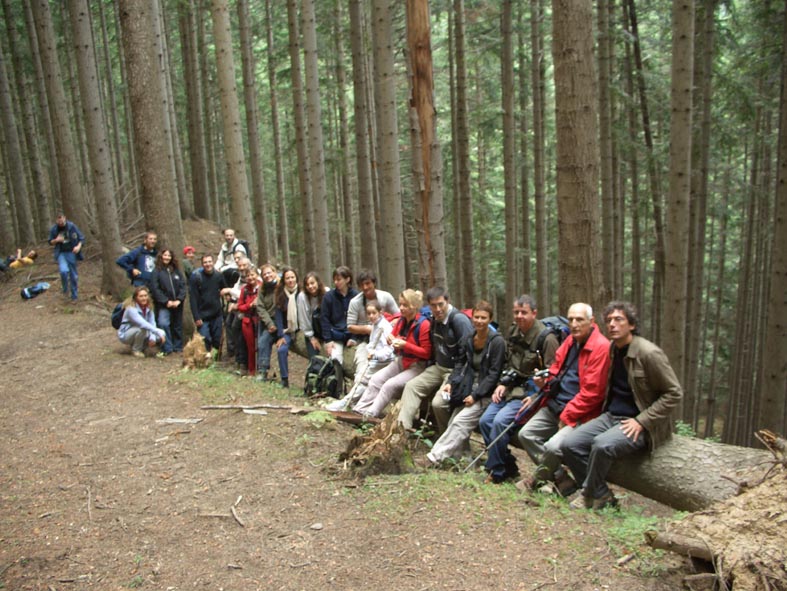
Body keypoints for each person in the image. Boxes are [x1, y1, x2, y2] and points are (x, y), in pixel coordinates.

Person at [562, 301, 683, 510]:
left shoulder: (648, 353)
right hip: (612, 416)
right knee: (569, 444)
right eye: (609, 320)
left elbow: (674, 393)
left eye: (619, 319)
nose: (612, 324)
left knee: (602, 445)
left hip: (641, 422)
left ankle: (587, 494)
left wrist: (642, 421)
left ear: (631, 325)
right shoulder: (613, 348)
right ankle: (601, 494)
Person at [516, 302, 611, 496]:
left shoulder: (601, 348)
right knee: (526, 434)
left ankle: (536, 479)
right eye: (571, 320)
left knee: (552, 447)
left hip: (582, 414)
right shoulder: (570, 341)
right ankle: (561, 477)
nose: (574, 324)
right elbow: (556, 370)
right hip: (556, 404)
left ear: (591, 321)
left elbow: (593, 393)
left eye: (579, 320)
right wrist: (542, 386)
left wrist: (568, 415)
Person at [479, 295, 560, 484]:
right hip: (511, 388)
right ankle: (508, 465)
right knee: (485, 421)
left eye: (524, 312)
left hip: (530, 393)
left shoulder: (546, 339)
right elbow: (509, 362)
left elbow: (554, 376)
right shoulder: (514, 331)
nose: (519, 316)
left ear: (534, 313)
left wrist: (536, 396)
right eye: (516, 312)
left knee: (499, 422)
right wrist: (503, 383)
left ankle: (496, 472)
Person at [426, 301, 506, 464]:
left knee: (460, 421)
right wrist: (451, 382)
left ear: (490, 319)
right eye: (476, 317)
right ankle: (462, 458)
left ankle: (435, 457)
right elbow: (460, 363)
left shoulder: (497, 342)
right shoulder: (470, 338)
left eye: (483, 318)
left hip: (486, 394)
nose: (479, 321)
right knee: (452, 419)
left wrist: (475, 396)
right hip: (467, 388)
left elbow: (494, 374)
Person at [398, 287, 473, 433]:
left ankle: (447, 438)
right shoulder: (434, 320)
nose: (438, 309)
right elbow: (434, 348)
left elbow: (466, 356)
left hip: (456, 371)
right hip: (438, 367)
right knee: (411, 386)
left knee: (438, 403)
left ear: (448, 301)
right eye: (433, 305)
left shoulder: (459, 321)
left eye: (441, 304)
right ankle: (401, 430)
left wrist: (452, 381)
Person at [352, 289, 431, 418]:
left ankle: (370, 415)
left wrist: (406, 345)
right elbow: (392, 336)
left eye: (405, 305)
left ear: (414, 306)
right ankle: (359, 410)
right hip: (401, 361)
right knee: (376, 379)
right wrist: (390, 339)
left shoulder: (424, 325)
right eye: (400, 304)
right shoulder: (401, 321)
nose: (401, 308)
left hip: (417, 366)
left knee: (389, 385)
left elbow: (426, 353)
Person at [327, 269, 400, 410]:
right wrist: (367, 329)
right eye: (362, 285)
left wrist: (389, 326)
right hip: (364, 342)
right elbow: (350, 326)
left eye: (368, 284)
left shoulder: (385, 298)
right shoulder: (356, 302)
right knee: (362, 373)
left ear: (374, 283)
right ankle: (353, 403)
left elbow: (398, 316)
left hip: (386, 347)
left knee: (374, 377)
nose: (365, 288)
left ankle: (361, 406)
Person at [273, 266, 311, 388]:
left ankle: (311, 381)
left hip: (302, 329)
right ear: (284, 280)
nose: (290, 280)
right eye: (287, 278)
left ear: (296, 278)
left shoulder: (302, 293)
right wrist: (280, 335)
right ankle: (284, 379)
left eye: (292, 277)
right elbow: (278, 317)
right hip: (287, 330)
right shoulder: (280, 295)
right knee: (281, 350)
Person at [149, 249, 187, 355]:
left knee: (177, 325)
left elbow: (183, 286)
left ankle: (178, 347)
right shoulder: (156, 271)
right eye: (165, 255)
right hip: (163, 304)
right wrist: (166, 301)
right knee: (163, 323)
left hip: (177, 304)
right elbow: (155, 289)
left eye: (169, 255)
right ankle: (167, 347)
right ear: (161, 256)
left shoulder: (176, 271)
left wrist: (179, 299)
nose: (167, 257)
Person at [188, 254, 226, 352]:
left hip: (216, 314)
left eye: (209, 262)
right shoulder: (196, 277)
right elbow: (193, 299)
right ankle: (207, 357)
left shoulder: (218, 276)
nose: (208, 264)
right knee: (205, 339)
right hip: (202, 316)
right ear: (202, 264)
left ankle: (215, 357)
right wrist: (196, 317)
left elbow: (224, 288)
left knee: (217, 339)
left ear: (213, 262)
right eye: (205, 262)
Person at [222, 256, 254, 371]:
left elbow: (245, 292)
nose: (242, 268)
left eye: (244, 265)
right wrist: (232, 298)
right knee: (230, 325)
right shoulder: (241, 277)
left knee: (239, 331)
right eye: (240, 266)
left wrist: (229, 291)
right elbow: (238, 290)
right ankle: (236, 356)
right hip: (239, 306)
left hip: (249, 311)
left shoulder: (253, 276)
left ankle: (243, 361)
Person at [117, 286, 166, 358]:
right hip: (126, 334)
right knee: (142, 329)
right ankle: (136, 350)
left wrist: (152, 337)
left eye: (145, 296)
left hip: (142, 331)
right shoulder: (131, 309)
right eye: (141, 296)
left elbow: (152, 323)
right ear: (136, 298)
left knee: (162, 333)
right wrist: (157, 332)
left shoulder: (149, 307)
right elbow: (142, 323)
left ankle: (144, 347)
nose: (144, 298)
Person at [48, 213, 85, 300]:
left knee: (73, 275)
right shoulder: (54, 229)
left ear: (65, 218)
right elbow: (50, 241)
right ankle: (65, 290)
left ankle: (74, 295)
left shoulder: (72, 226)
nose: (60, 222)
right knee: (63, 271)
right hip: (61, 253)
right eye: (59, 221)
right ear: (56, 220)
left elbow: (81, 238)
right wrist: (56, 240)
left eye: (62, 220)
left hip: (71, 252)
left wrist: (78, 247)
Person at [255, 263, 280, 381]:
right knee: (262, 342)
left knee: (263, 341)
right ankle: (263, 370)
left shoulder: (280, 286)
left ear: (274, 273)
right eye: (264, 274)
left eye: (269, 273)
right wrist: (269, 323)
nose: (267, 276)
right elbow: (260, 307)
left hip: (280, 322)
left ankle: (264, 370)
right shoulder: (262, 289)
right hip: (267, 322)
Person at [236, 269, 261, 375]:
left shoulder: (262, 287)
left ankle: (261, 369)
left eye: (252, 275)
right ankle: (251, 370)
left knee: (261, 345)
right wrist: (249, 305)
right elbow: (240, 306)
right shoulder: (244, 289)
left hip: (260, 320)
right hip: (247, 321)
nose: (250, 278)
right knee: (250, 347)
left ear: (257, 275)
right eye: (248, 276)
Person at [297, 271, 326, 359]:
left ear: (318, 282)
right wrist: (311, 337)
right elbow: (303, 319)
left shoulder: (327, 293)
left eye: (312, 283)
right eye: (307, 284)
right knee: (314, 358)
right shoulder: (302, 297)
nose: (310, 286)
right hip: (312, 331)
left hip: (326, 330)